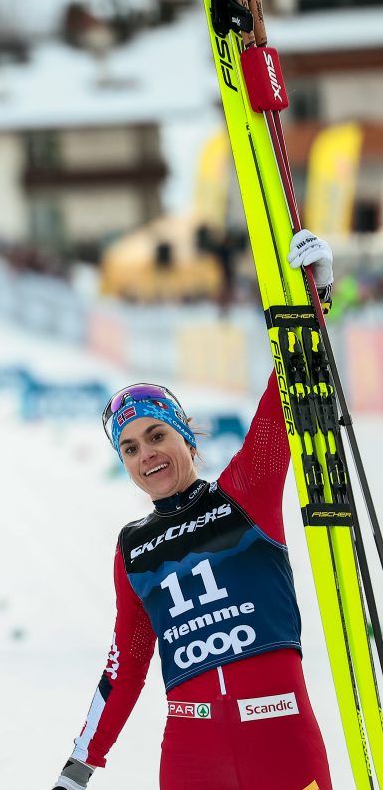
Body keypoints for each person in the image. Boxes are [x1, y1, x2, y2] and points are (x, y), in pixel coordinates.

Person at [52, 229, 337, 790]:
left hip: (279, 734)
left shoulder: (242, 495)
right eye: (129, 448)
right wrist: (79, 767)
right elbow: (126, 664)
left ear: (185, 435)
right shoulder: (134, 548)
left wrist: (315, 302)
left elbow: (286, 402)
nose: (146, 455)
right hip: (193, 753)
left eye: (156, 435)